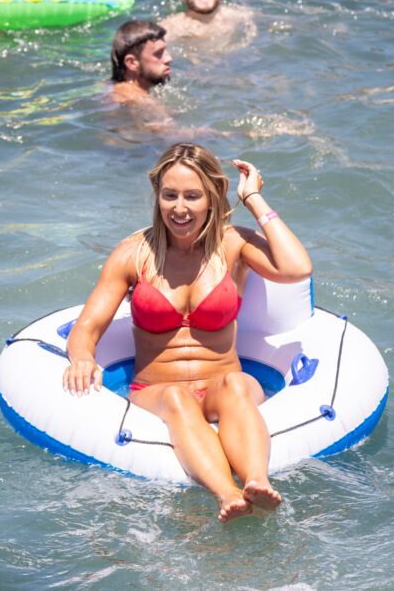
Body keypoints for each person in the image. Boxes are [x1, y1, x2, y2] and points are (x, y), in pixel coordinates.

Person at [62, 142, 313, 523]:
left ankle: (257, 482)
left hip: (222, 385)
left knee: (234, 384)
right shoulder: (133, 254)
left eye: (193, 196)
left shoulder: (232, 244)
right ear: (157, 196)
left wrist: (255, 199)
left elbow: (297, 269)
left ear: (213, 197)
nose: (180, 208)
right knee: (179, 397)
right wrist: (81, 357)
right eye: (170, 195)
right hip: (158, 392)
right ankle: (228, 494)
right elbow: (88, 326)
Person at [110, 19, 173, 105]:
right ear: (132, 63)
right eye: (158, 53)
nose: (169, 58)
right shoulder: (142, 103)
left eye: (165, 50)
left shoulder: (109, 86)